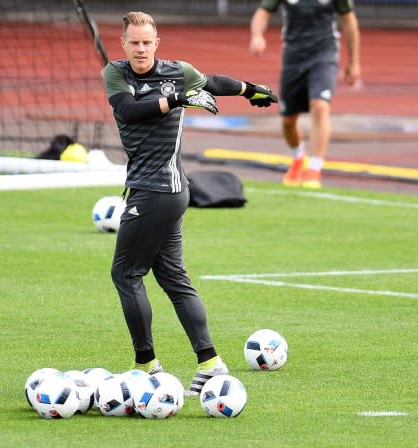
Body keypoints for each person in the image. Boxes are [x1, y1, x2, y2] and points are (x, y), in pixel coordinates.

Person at [102, 11, 277, 396]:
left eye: (148, 42)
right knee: (173, 279)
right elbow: (129, 111)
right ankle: (211, 364)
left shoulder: (178, 71)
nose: (141, 49)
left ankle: (146, 366)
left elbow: (213, 82)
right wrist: (179, 98)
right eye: (135, 43)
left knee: (126, 274)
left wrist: (251, 89)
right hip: (163, 192)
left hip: (158, 191)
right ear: (124, 44)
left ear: (157, 43)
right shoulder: (115, 74)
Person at [249, 0, 361, 189]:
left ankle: (315, 169)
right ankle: (299, 158)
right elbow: (263, 12)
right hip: (293, 57)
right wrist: (257, 35)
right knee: (288, 120)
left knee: (320, 105)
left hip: (324, 54)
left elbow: (349, 22)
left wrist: (354, 62)